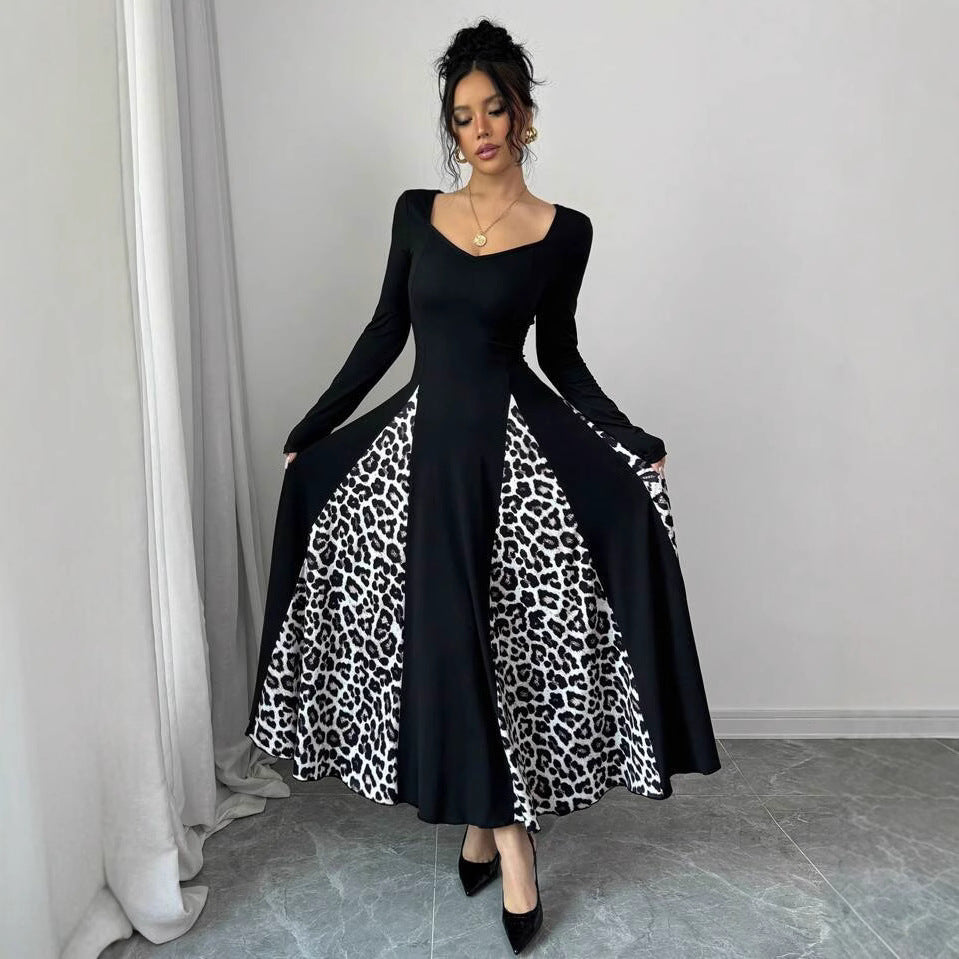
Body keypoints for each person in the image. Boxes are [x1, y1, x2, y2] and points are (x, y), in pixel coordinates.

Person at [246, 17, 721, 955]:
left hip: (514, 463)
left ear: (523, 115)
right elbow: (384, 333)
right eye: (462, 117)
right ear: (451, 129)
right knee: (451, 647)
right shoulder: (414, 213)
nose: (479, 130)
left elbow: (561, 357)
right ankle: (508, 840)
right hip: (422, 458)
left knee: (488, 655)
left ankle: (491, 832)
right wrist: (312, 428)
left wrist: (627, 439)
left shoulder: (564, 232)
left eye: (493, 110)